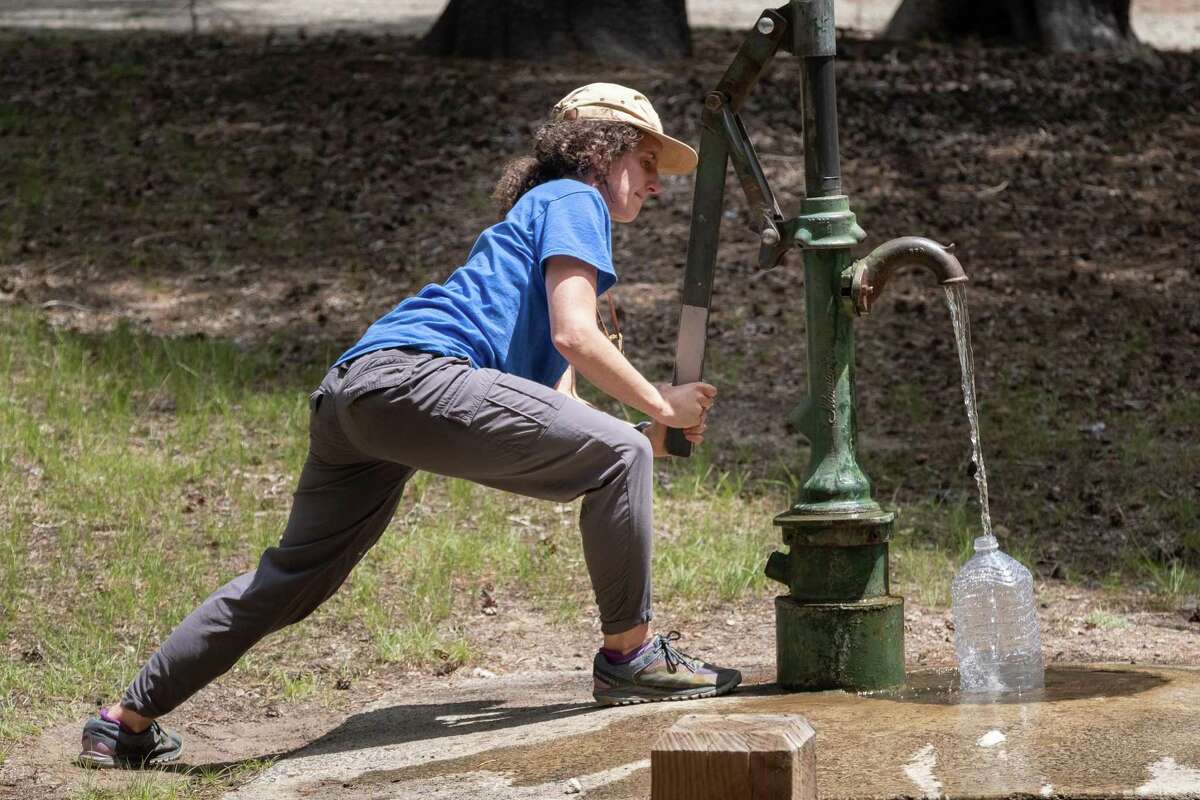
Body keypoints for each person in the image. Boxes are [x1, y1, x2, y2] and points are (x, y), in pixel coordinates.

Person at [78, 83, 742, 769]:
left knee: (292, 578)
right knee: (622, 452)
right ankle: (631, 657)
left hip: (354, 393)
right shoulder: (577, 199)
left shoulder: (540, 219)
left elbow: (561, 416)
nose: (657, 185)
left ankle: (122, 722)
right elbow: (576, 336)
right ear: (598, 152)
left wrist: (640, 427)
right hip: (414, 379)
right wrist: (659, 411)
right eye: (645, 160)